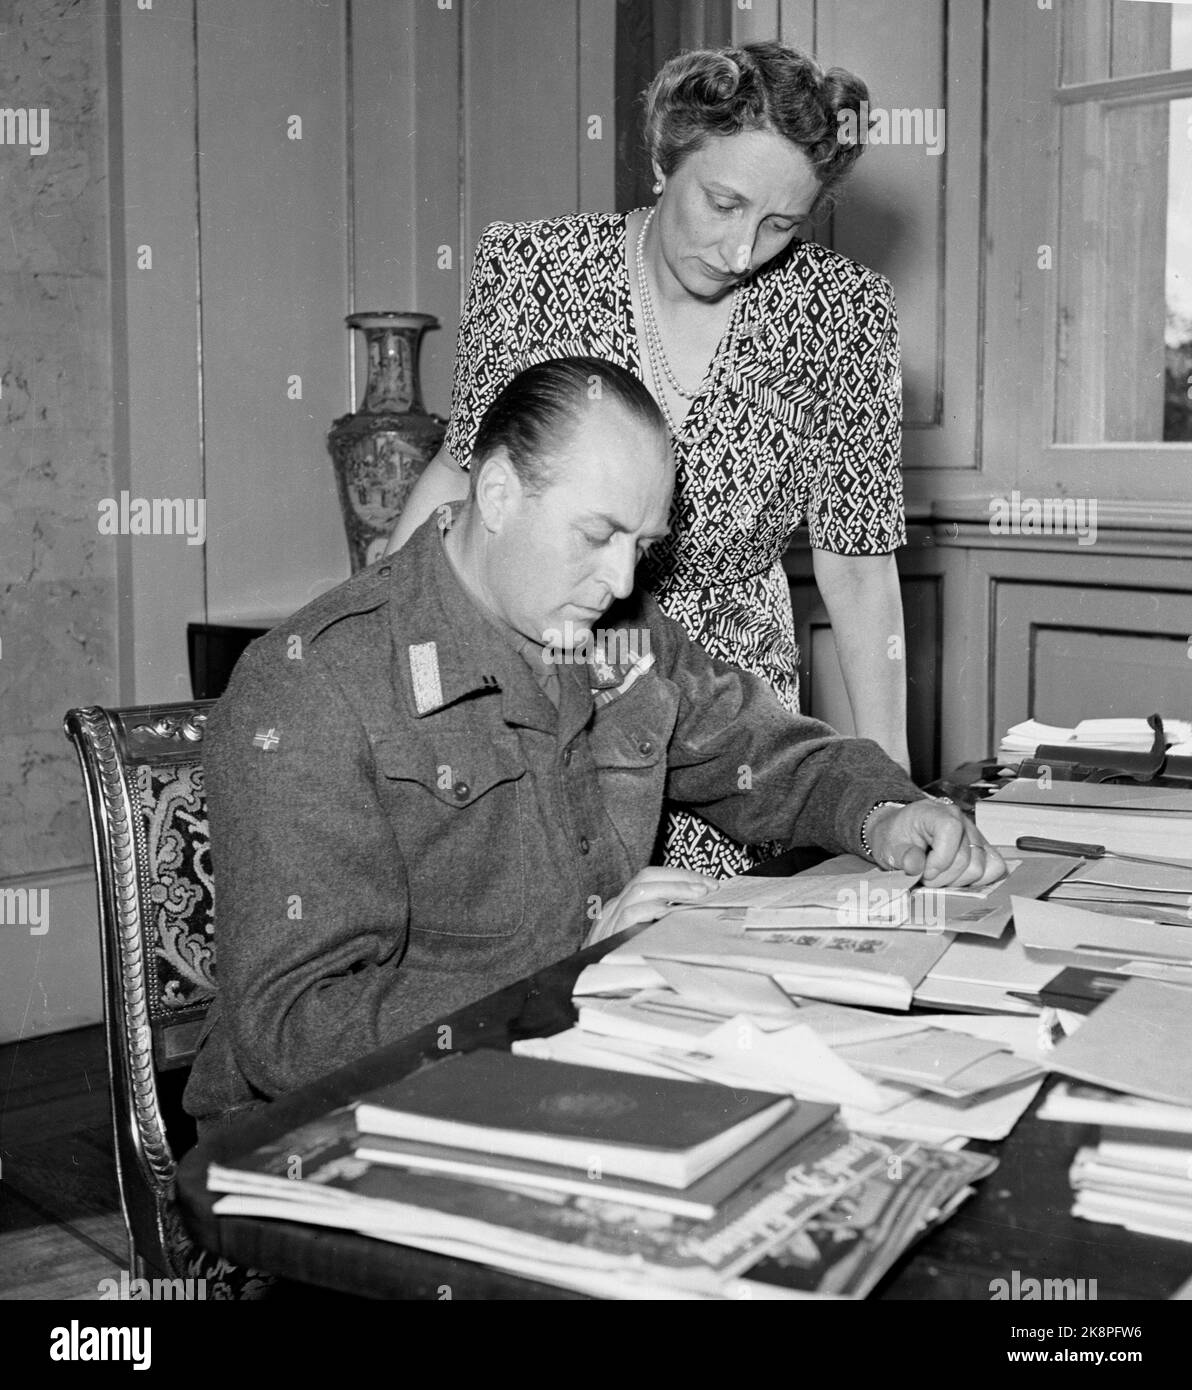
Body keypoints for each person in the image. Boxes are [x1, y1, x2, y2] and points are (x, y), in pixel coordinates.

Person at [184, 359, 1001, 1131]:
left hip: (569, 1065)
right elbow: (292, 1027)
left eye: (641, 547)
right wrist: (564, 965)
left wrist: (884, 814)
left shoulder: (604, 635)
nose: (619, 581)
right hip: (346, 1129)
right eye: (598, 535)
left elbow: (765, 753)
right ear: (497, 493)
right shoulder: (315, 681)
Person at [388, 40, 908, 881]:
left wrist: (889, 800)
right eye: (725, 202)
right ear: (668, 156)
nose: (743, 250)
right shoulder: (536, 270)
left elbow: (858, 569)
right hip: (550, 671)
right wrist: (383, 647)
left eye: (780, 224)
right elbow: (463, 477)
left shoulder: (841, 314)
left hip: (734, 720)